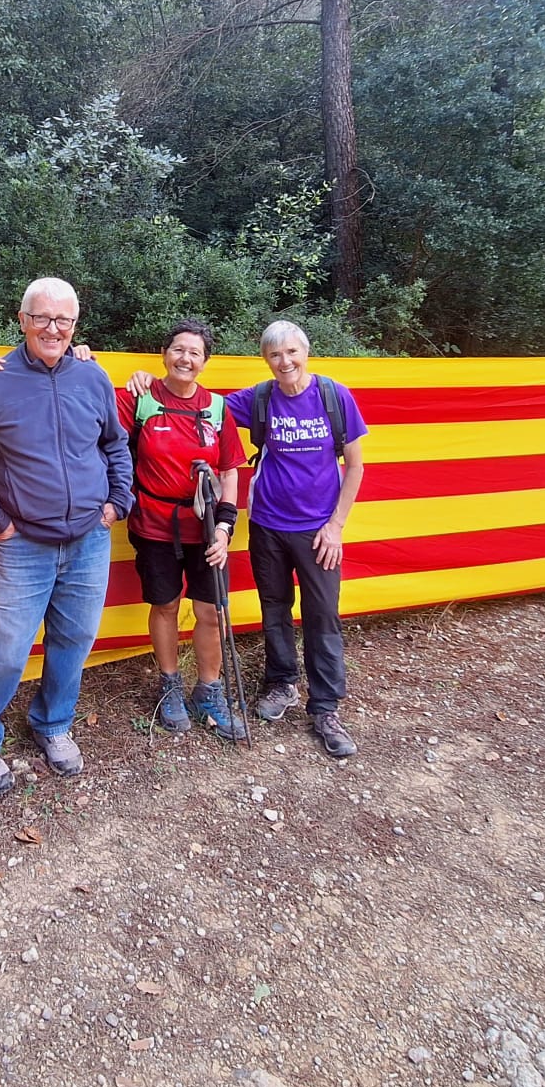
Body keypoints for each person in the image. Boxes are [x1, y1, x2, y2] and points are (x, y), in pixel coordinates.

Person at [0, 277, 134, 797]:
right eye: (43, 318)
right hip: (21, 545)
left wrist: (118, 502)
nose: (53, 329)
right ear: (23, 320)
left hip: (88, 540)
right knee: (5, 651)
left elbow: (115, 443)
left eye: (63, 320)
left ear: (75, 325)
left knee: (74, 640)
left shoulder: (93, 377)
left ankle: (52, 724)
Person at [224, 320, 367, 759]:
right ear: (265, 360)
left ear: (306, 353)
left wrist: (336, 526)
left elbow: (356, 467)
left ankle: (325, 708)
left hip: (318, 530)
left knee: (322, 616)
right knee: (275, 608)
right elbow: (198, 405)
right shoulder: (259, 398)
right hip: (267, 525)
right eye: (275, 355)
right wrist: (145, 382)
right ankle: (281, 682)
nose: (284, 361)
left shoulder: (333, 396)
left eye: (291, 352)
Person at [117, 319, 249, 739]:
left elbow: (229, 470)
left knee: (211, 609)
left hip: (207, 527)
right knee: (166, 605)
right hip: (154, 524)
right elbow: (98, 430)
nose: (185, 358)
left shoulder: (217, 408)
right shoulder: (140, 399)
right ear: (164, 354)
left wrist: (225, 527)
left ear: (205, 361)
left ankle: (209, 691)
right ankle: (170, 684)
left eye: (195, 353)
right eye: (178, 349)